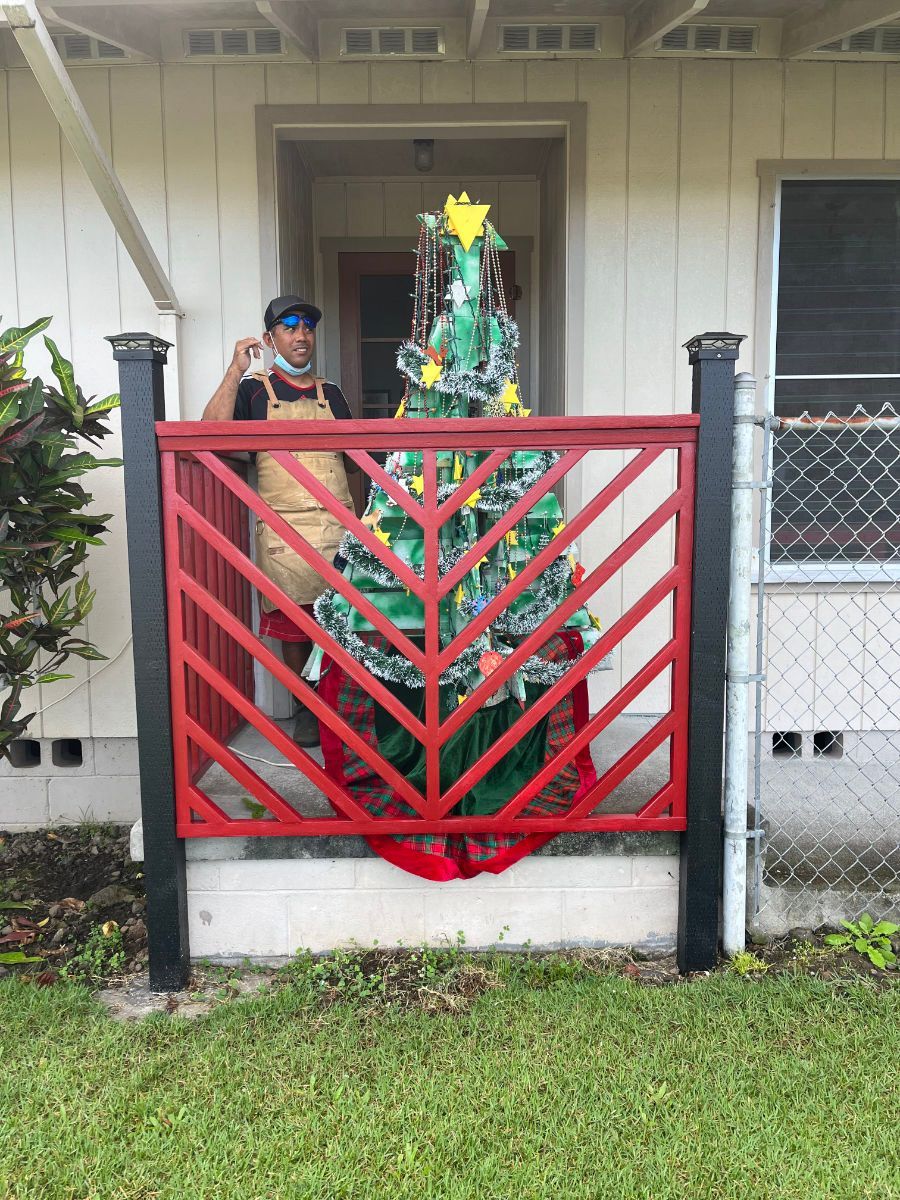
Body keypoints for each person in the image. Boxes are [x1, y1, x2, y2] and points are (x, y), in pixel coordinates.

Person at [202, 295, 356, 747]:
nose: (301, 334)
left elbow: (353, 465)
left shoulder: (334, 395)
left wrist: (367, 527)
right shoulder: (252, 391)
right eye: (289, 326)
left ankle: (341, 712)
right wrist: (234, 369)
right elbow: (210, 435)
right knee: (295, 629)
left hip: (339, 531)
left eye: (307, 326)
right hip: (285, 534)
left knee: (345, 626)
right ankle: (310, 711)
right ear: (270, 339)